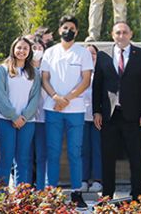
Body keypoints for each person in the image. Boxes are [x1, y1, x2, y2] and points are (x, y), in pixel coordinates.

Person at [93, 21, 141, 202]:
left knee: (135, 158)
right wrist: (97, 111)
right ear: (112, 35)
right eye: (118, 32)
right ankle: (107, 196)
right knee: (108, 158)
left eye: (125, 32)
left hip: (133, 116)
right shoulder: (103, 56)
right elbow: (97, 86)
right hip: (109, 116)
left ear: (131, 34)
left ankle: (137, 196)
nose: (121, 36)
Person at [41, 15, 93, 208]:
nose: (67, 31)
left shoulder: (83, 53)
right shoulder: (50, 52)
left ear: (76, 32)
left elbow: (85, 80)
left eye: (71, 28)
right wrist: (56, 98)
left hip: (76, 110)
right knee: (52, 151)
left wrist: (67, 99)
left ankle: (76, 193)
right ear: (59, 30)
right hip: (53, 108)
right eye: (64, 27)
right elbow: (44, 78)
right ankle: (51, 193)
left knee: (74, 152)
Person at [0, 36, 42, 188]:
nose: (22, 51)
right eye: (19, 48)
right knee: (6, 158)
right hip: (5, 120)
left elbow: (35, 97)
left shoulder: (34, 72)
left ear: (29, 52)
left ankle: (21, 195)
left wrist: (24, 117)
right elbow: (0, 96)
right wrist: (14, 116)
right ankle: (1, 195)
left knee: (23, 159)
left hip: (27, 122)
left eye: (25, 49)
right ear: (13, 49)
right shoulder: (3, 69)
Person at [81, 44, 102, 193]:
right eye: (87, 54)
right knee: (83, 150)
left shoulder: (101, 72)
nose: (90, 56)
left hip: (97, 117)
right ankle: (82, 179)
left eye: (93, 53)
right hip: (80, 116)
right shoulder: (78, 73)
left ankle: (97, 180)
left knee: (97, 149)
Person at [30, 37, 49, 190]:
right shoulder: (23, 68)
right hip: (26, 119)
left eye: (39, 47)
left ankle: (42, 189)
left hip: (43, 118)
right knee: (26, 157)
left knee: (42, 156)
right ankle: (25, 189)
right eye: (33, 47)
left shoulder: (48, 68)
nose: (36, 51)